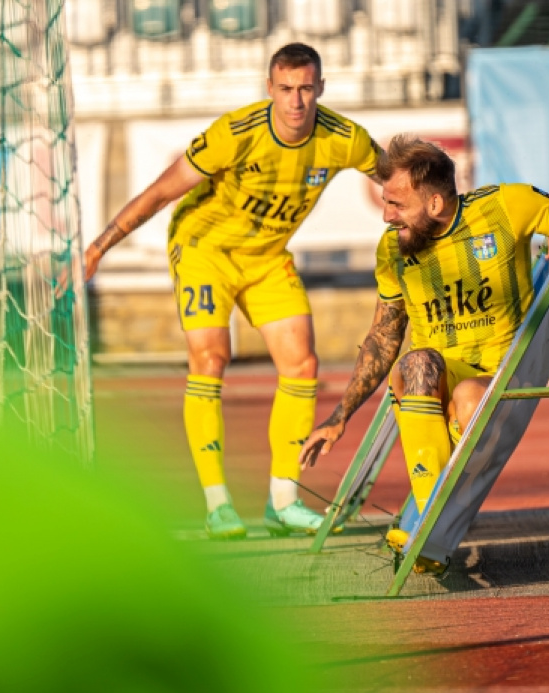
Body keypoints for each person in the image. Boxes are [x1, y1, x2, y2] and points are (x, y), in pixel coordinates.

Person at [84, 43, 381, 540]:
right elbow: (161, 192)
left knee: (302, 365)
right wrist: (100, 246)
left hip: (266, 257)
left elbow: (401, 177)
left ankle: (282, 501)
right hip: (205, 249)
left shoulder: (345, 138)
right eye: (286, 89)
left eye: (306, 88)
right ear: (270, 89)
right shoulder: (234, 134)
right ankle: (218, 505)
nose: (296, 101)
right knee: (210, 356)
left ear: (321, 89)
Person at [299, 134, 549, 570]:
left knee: (465, 400)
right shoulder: (392, 250)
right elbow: (383, 336)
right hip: (434, 381)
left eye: (397, 205)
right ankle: (430, 524)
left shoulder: (506, 206)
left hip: (504, 375)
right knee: (417, 362)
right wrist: (340, 416)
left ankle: (426, 526)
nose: (387, 216)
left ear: (436, 204)